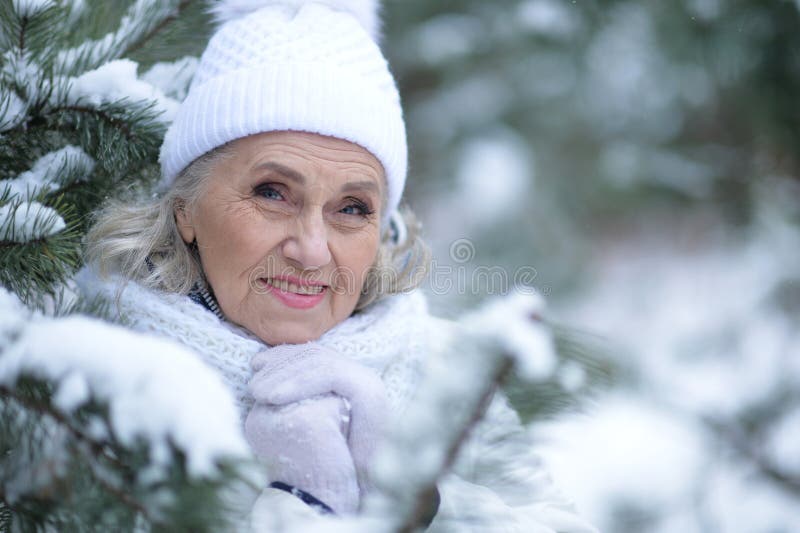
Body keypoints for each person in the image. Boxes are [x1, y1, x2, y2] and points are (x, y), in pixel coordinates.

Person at [79, 1, 598, 531]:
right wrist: (284, 502)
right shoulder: (89, 378)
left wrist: (405, 493)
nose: (312, 249)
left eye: (352, 208)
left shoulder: (443, 368)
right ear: (185, 208)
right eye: (272, 193)